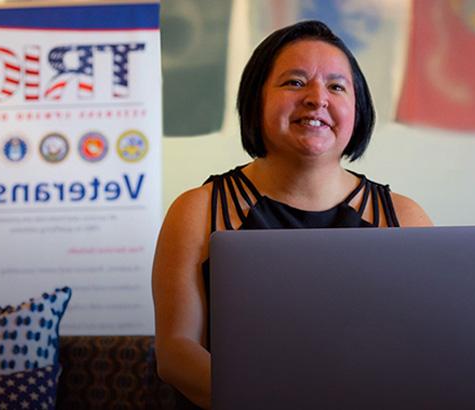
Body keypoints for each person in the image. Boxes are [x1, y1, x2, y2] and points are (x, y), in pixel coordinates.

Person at [150, 21, 432, 409]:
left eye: (336, 86)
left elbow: (429, 349)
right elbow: (176, 352)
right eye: (295, 82)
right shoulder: (198, 210)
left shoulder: (404, 217)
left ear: (358, 107)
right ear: (257, 99)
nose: (318, 98)